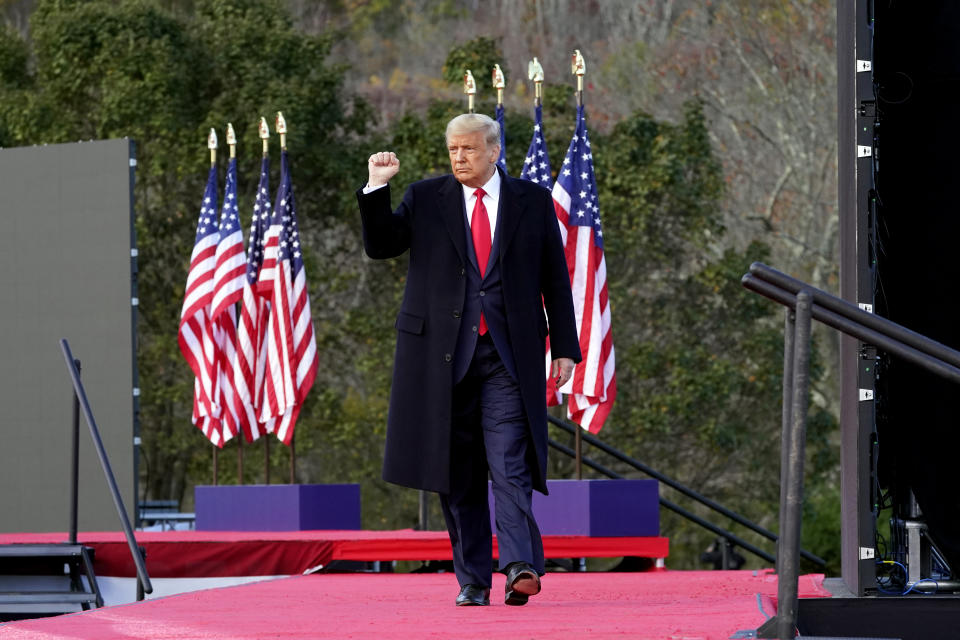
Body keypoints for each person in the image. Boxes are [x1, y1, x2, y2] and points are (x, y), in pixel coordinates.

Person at [357, 113, 581, 607]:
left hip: (508, 355)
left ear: (494, 151)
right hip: (440, 357)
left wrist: (565, 346)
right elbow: (381, 245)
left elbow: (555, 278)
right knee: (456, 475)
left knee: (509, 464)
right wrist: (376, 187)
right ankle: (473, 579)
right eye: (453, 150)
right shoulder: (425, 196)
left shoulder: (532, 201)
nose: (459, 158)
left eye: (469, 150)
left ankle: (520, 563)